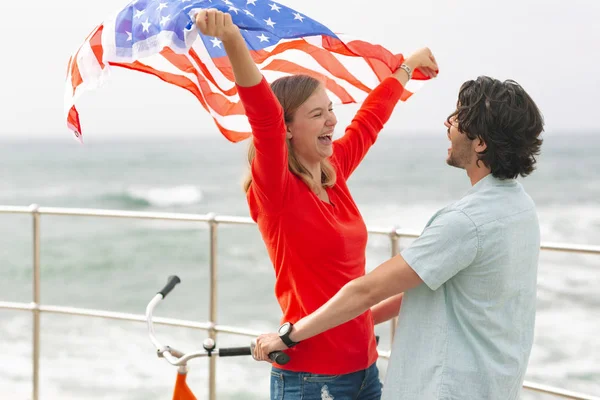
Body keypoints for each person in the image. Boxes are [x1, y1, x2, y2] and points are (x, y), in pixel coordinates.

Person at [194, 8, 439, 400]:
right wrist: (233, 41)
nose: (332, 122)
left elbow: (369, 121)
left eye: (331, 111)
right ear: (288, 128)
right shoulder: (275, 190)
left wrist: (406, 68)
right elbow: (263, 117)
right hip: (311, 378)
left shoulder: (333, 169)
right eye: (317, 114)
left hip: (365, 369)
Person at [255, 75, 544, 400]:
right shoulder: (521, 208)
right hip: (492, 383)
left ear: (480, 143)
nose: (448, 124)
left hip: (446, 388)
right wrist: (404, 70)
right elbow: (431, 290)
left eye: (458, 117)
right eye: (318, 113)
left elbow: (366, 290)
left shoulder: (465, 222)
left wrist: (290, 336)